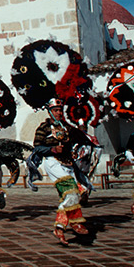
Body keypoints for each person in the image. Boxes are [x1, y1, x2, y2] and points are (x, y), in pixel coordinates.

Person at [33, 98, 89, 245]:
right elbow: (37, 147)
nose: (58, 113)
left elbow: (74, 141)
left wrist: (79, 148)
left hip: (68, 164)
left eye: (60, 110)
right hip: (53, 163)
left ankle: (59, 227)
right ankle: (76, 222)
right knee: (71, 189)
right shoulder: (44, 128)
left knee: (73, 194)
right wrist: (52, 149)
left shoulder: (66, 127)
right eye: (55, 110)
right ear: (50, 112)